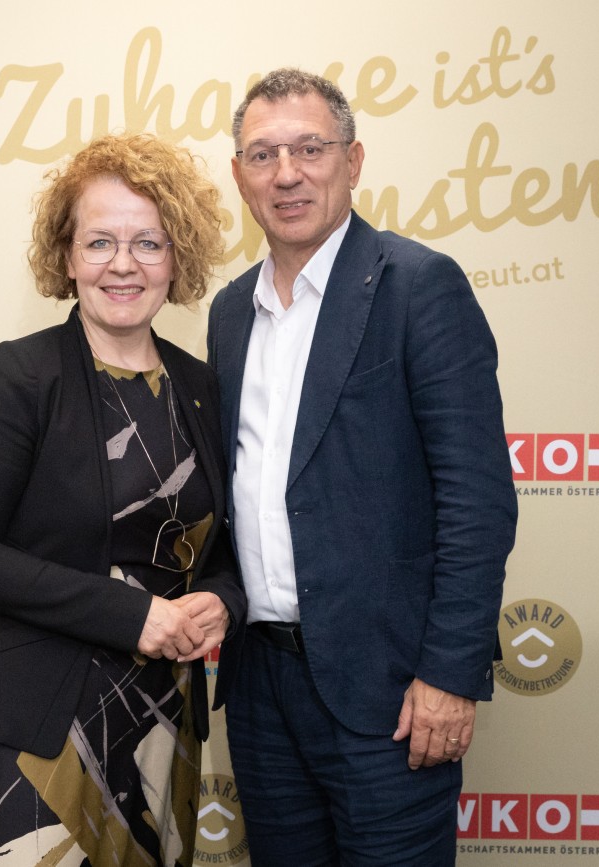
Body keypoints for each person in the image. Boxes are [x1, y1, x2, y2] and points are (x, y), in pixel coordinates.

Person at [207, 68, 518, 865]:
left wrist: (450, 674)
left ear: (353, 160)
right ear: (240, 175)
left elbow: (477, 500)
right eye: (263, 154)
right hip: (261, 690)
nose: (287, 173)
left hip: (392, 694)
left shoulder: (419, 287)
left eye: (310, 148)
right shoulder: (230, 311)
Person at [0, 133, 246, 867]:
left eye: (148, 243)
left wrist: (223, 600)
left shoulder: (201, 386)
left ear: (178, 258)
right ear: (67, 257)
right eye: (100, 242)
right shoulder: (19, 376)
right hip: (33, 729)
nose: (123, 264)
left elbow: (226, 544)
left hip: (162, 723)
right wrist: (131, 614)